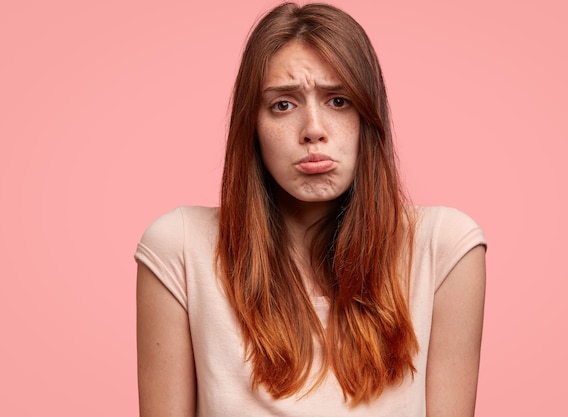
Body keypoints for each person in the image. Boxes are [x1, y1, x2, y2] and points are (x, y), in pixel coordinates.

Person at [135, 2, 486, 416]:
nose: (313, 130)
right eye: (283, 104)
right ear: (252, 126)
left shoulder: (444, 248)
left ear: (367, 118)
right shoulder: (178, 248)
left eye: (338, 100)